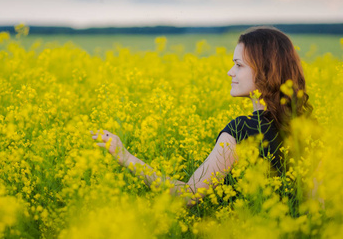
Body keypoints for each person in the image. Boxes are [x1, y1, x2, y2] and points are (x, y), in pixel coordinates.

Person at [91, 26, 313, 206]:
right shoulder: (311, 128)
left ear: (265, 71)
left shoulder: (241, 130)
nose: (230, 72)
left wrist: (126, 157)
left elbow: (188, 195)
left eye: (238, 65)